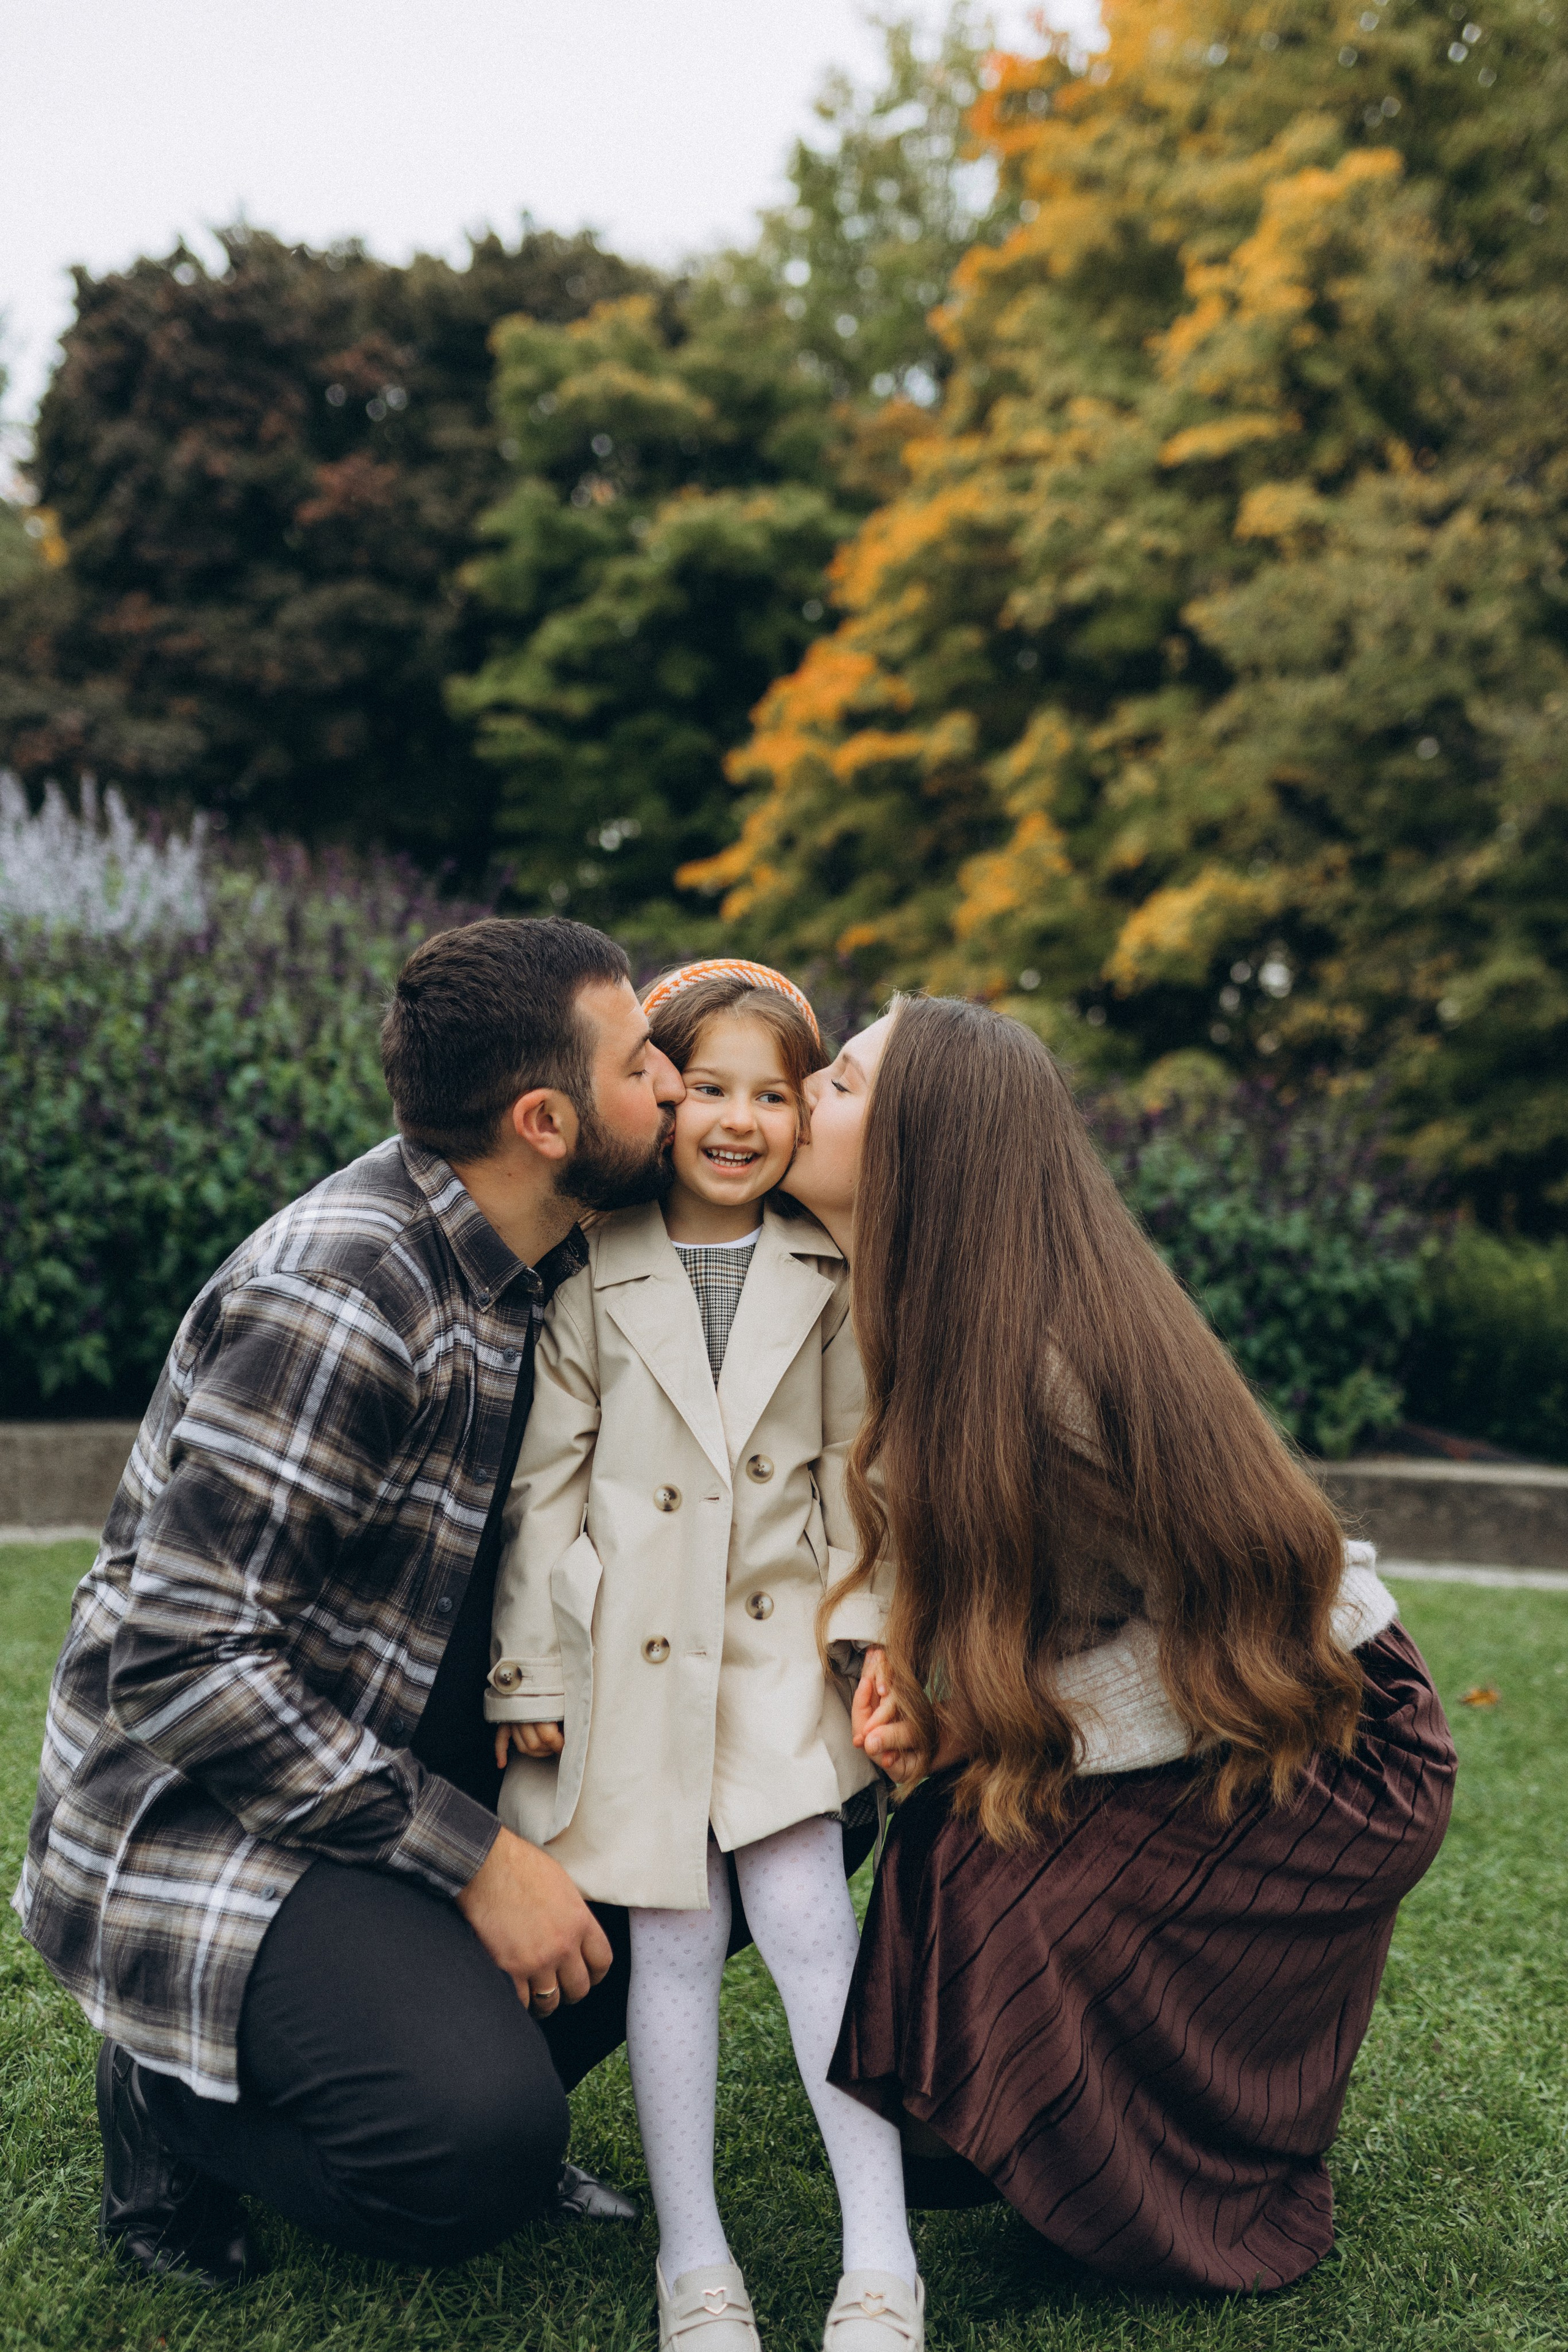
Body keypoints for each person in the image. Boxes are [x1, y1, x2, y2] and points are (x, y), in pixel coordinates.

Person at [15, 916, 694, 2286]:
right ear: (546, 1121)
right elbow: (186, 1664)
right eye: (643, 1066)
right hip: (210, 1808)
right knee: (467, 2156)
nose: (675, 1085)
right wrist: (480, 1862)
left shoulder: (553, 1244)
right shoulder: (344, 1299)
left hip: (400, 1742)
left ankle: (456, 2047)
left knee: (733, 1808)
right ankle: (170, 2094)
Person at [780, 993, 1458, 2296]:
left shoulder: (1055, 1368)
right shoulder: (924, 1311)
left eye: (843, 1082)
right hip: (1210, 1677)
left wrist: (1005, 1728)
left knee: (1016, 1884)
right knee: (953, 1841)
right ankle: (1021, 2138)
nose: (805, 1092)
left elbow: (1241, 1637)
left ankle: (1203, 2184)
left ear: (924, 1148)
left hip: (1333, 1725)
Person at [486, 961, 921, 2352]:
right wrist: (529, 1674)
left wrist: (870, 1636)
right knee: (670, 1952)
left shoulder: (827, 1274)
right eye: (711, 1091)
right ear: (663, 1105)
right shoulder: (589, 1273)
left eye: (774, 1095)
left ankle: (881, 2260)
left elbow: (861, 1479)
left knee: (814, 1934)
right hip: (632, 1671)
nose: (740, 1122)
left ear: (802, 1113)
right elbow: (544, 1489)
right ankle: (695, 2261)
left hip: (780, 1669)